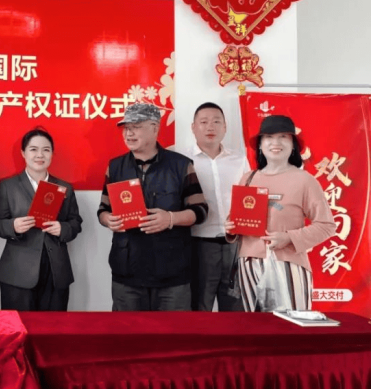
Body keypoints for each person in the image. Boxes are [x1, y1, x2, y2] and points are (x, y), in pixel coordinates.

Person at [98, 103, 208, 311]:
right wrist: (108, 220)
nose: (129, 133)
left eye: (136, 127)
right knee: (126, 329)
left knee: (173, 331)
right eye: (126, 128)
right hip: (127, 273)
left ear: (155, 128)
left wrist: (170, 219)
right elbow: (103, 209)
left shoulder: (181, 165)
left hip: (172, 274)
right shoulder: (115, 167)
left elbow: (200, 211)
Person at [225, 115, 336, 312]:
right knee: (255, 325)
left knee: (292, 325)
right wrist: (231, 228)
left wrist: (289, 238)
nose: (275, 142)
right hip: (249, 264)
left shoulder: (305, 180)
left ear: (293, 145)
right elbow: (237, 217)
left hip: (289, 263)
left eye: (283, 137)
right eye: (268, 137)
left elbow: (326, 226)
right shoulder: (248, 178)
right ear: (260, 145)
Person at [0, 127, 82, 311]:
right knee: (18, 326)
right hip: (17, 271)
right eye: (33, 149)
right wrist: (13, 226)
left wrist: (62, 229)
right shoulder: (8, 186)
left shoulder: (65, 188)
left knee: (53, 326)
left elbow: (75, 223)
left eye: (46, 150)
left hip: (55, 271)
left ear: (52, 154)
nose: (40, 155)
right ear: (23, 153)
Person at [186, 102, 250, 311]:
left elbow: (250, 197)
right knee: (199, 306)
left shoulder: (239, 160)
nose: (210, 127)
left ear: (225, 127)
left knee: (235, 307)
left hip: (236, 243)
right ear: (193, 127)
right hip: (199, 244)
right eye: (204, 122)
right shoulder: (182, 160)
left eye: (216, 122)